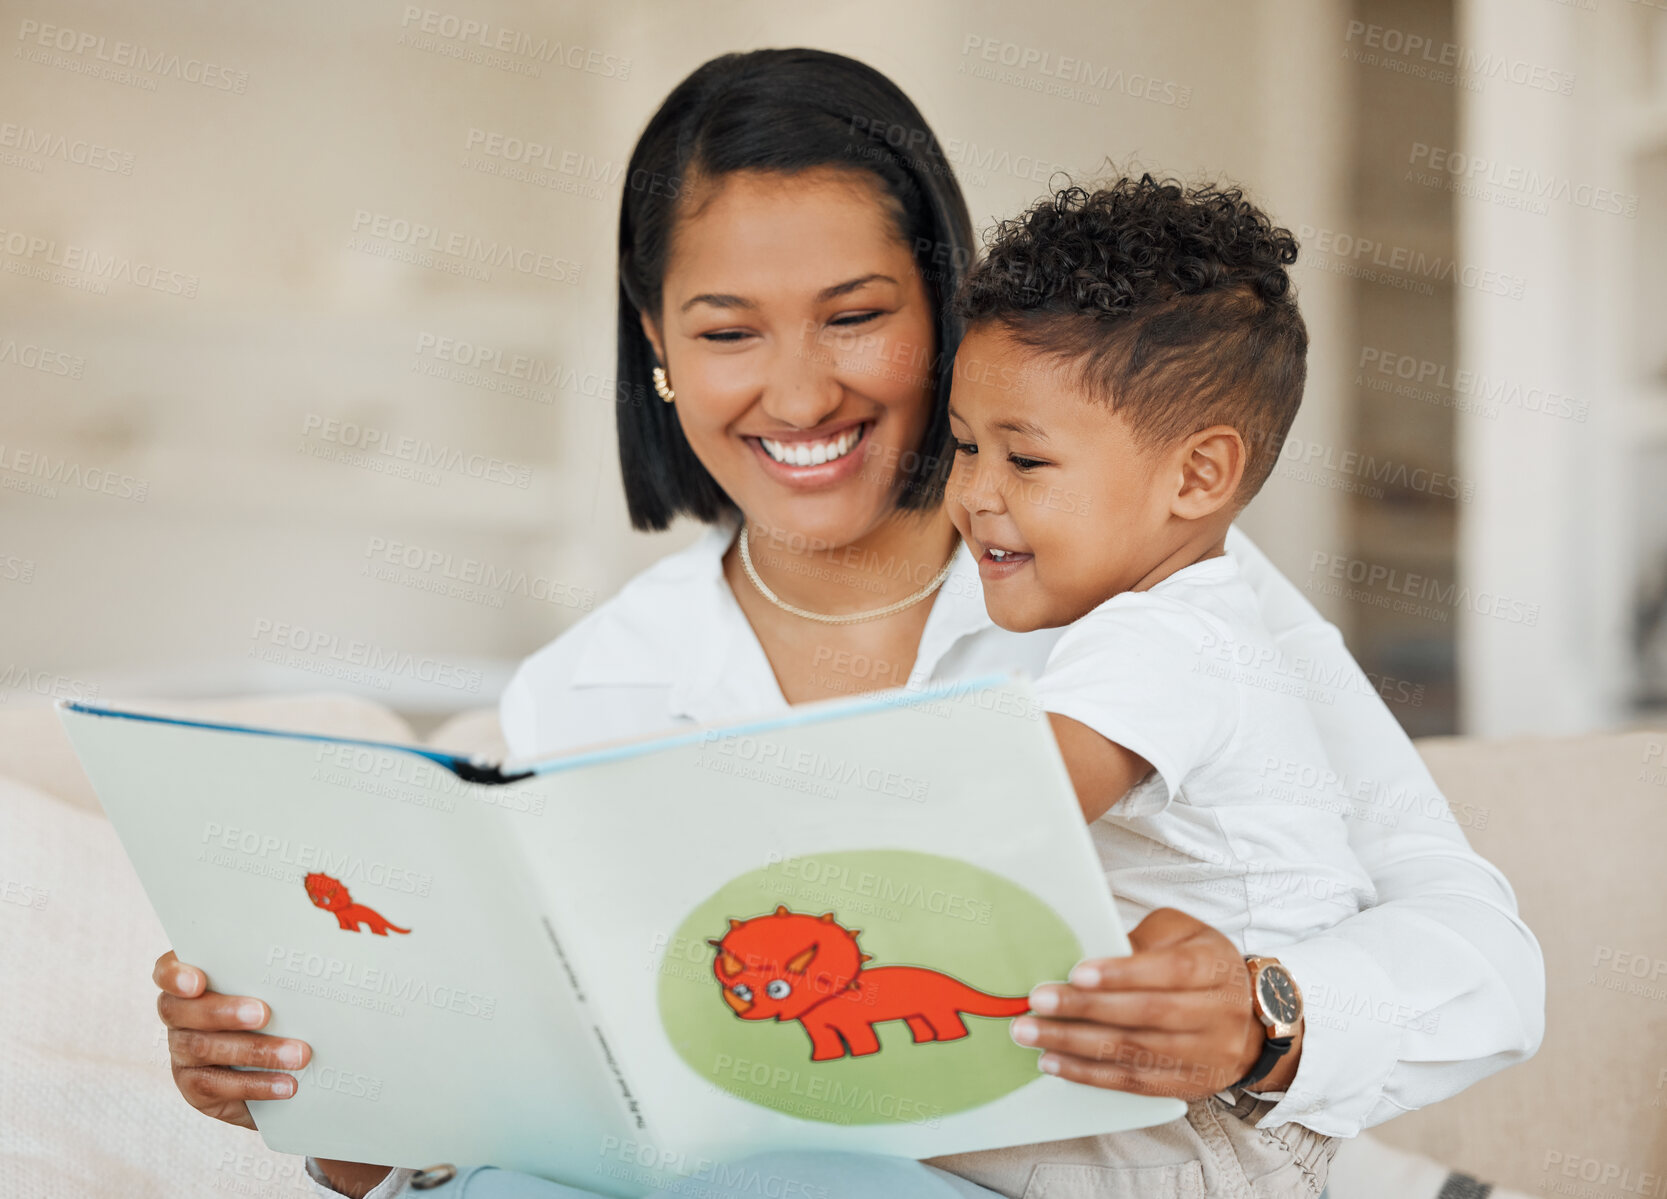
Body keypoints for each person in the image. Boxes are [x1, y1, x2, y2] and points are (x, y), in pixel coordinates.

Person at [151, 49, 1544, 1199]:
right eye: (726, 329)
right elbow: (488, 1128)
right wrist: (311, 1068)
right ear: (653, 340)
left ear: (944, 305)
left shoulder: (1152, 594)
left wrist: (1263, 1011)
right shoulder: (597, 684)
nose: (799, 392)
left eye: (855, 314)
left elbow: (1480, 955)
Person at [942, 174, 1381, 1194]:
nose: (971, 494)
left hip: (1205, 1140)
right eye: (963, 447)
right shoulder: (1193, 625)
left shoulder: (1162, 640)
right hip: (1247, 1126)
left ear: (1195, 475)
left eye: (1025, 459)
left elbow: (1001, 810)